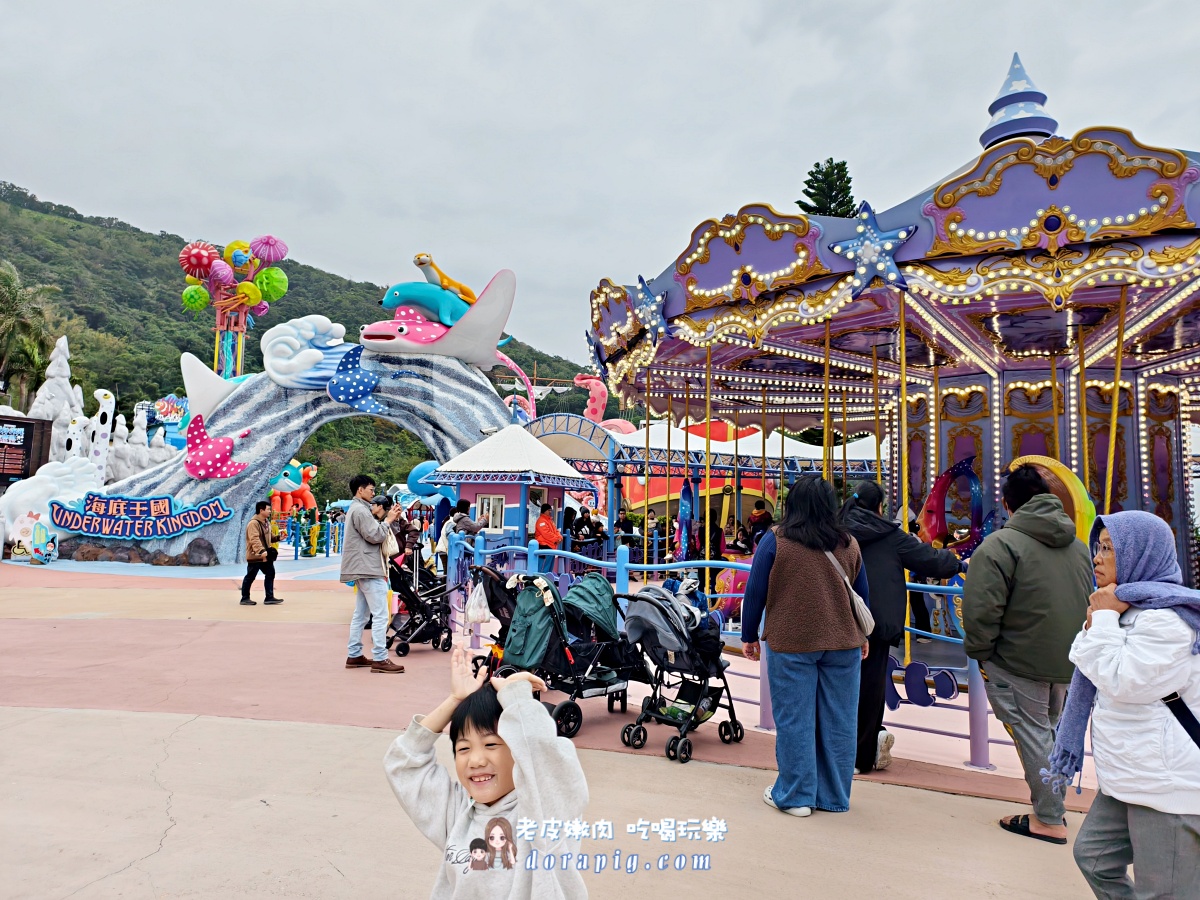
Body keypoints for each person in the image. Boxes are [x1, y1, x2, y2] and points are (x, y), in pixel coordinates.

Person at [1037, 512, 1200, 895]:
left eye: (1110, 549)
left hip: (1164, 781)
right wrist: (1103, 619)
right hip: (1129, 772)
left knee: (1163, 891)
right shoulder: (1124, 610)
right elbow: (1086, 658)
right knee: (1094, 857)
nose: (1097, 557)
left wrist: (1105, 619)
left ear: (1140, 554)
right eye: (1098, 547)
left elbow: (1124, 681)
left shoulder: (1168, 619)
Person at [384, 647, 588, 898]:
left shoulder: (542, 811)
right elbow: (404, 763)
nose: (476, 760)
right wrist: (455, 700)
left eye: (491, 744)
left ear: (518, 749)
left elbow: (551, 764)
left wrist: (517, 702)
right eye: (463, 748)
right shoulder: (458, 813)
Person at [962, 464, 1092, 843]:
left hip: (1018, 660)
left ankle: (1049, 818)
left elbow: (981, 611)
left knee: (1033, 734)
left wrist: (982, 654)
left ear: (1007, 504)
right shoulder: (1078, 547)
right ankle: (1053, 806)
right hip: (1067, 661)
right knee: (1050, 732)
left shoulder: (1000, 546)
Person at [741, 477, 871, 817]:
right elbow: (862, 594)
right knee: (840, 720)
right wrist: (863, 636)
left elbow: (755, 591)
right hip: (844, 641)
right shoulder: (849, 543)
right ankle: (834, 795)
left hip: (791, 641)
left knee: (794, 719)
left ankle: (796, 795)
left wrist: (748, 634)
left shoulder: (776, 540)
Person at [841, 481, 962, 772]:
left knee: (837, 685)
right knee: (870, 688)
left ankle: (835, 751)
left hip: (837, 618)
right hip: (875, 621)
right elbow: (929, 560)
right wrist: (958, 563)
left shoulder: (835, 529)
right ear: (879, 506)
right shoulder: (888, 534)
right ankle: (860, 756)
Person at [342, 474, 405, 674]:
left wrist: (386, 519)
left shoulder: (357, 509)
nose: (373, 493)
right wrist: (388, 520)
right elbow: (375, 535)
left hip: (362, 568)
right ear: (360, 490)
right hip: (368, 568)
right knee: (380, 615)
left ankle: (354, 654)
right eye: (371, 489)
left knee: (361, 615)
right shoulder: (361, 510)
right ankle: (380, 658)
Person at [240, 501, 283, 606]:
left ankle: (269, 597)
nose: (270, 511)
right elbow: (254, 539)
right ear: (261, 510)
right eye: (268, 509)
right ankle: (245, 598)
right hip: (256, 555)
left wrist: (278, 538)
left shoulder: (266, 522)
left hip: (265, 555)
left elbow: (269, 536)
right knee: (250, 576)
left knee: (270, 573)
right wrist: (261, 551)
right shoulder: (253, 523)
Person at [533, 503, 562, 574]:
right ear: (544, 511)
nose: (550, 511)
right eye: (548, 510)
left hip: (551, 546)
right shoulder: (541, 521)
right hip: (544, 546)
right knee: (544, 567)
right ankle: (542, 578)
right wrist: (557, 539)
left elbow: (556, 531)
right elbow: (546, 534)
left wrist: (560, 537)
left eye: (550, 510)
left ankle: (546, 578)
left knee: (549, 567)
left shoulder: (550, 521)